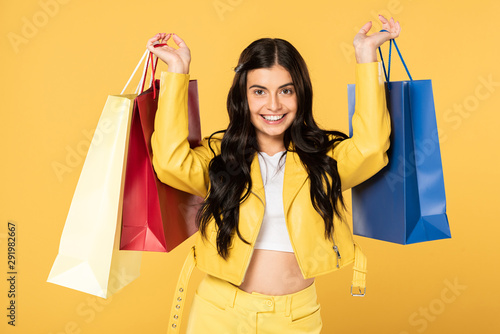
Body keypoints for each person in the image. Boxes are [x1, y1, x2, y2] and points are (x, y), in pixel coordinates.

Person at [147, 14, 400, 334]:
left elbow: (372, 148)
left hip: (295, 318)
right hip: (220, 311)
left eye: (286, 91)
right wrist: (178, 71)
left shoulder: (323, 162)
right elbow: (170, 161)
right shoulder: (219, 158)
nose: (273, 105)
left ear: (301, 94)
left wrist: (366, 57)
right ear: (243, 96)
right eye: (259, 91)